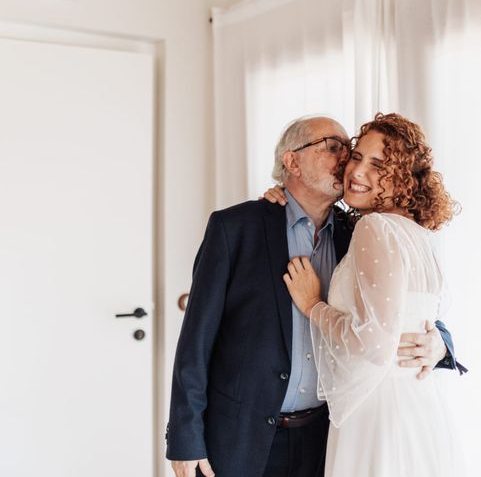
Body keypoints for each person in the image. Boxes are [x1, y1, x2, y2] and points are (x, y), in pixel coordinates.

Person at [166, 116, 464, 477]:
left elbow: (400, 312)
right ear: (292, 162)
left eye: (349, 149)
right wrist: (185, 436)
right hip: (241, 438)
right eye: (334, 147)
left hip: (324, 439)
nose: (346, 159)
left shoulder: (358, 234)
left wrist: (441, 345)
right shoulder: (235, 229)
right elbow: (196, 342)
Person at [279, 112, 464, 476]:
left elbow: (375, 345)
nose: (357, 171)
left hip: (378, 411)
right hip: (420, 406)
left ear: (404, 178)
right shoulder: (421, 235)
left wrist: (313, 305)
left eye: (378, 165)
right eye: (357, 157)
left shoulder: (375, 228)